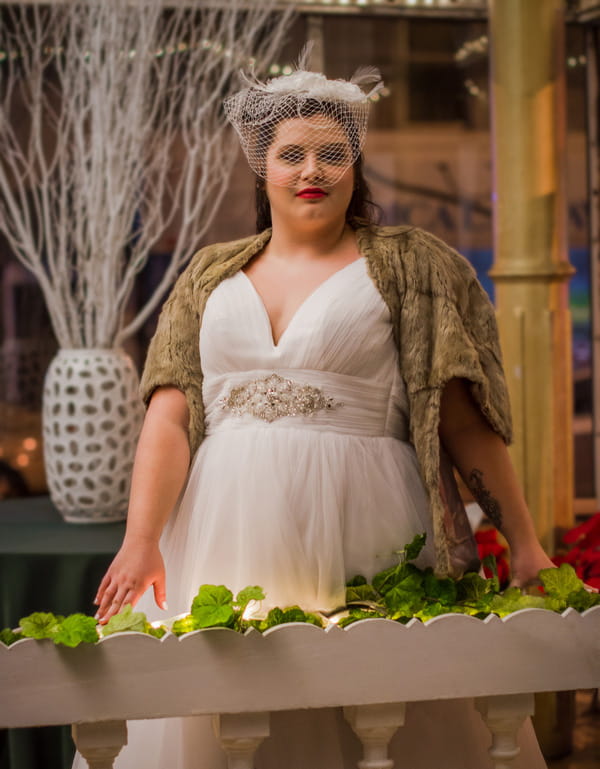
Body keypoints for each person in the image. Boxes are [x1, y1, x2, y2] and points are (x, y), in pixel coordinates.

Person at [78, 56, 555, 769]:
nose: (314, 169)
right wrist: (142, 537)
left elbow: (460, 419)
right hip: (219, 531)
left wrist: (522, 540)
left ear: (357, 168)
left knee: (377, 707)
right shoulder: (207, 275)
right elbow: (170, 416)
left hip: (365, 523)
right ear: (261, 166)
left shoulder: (412, 267)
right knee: (221, 712)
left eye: (334, 154)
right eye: (292, 153)